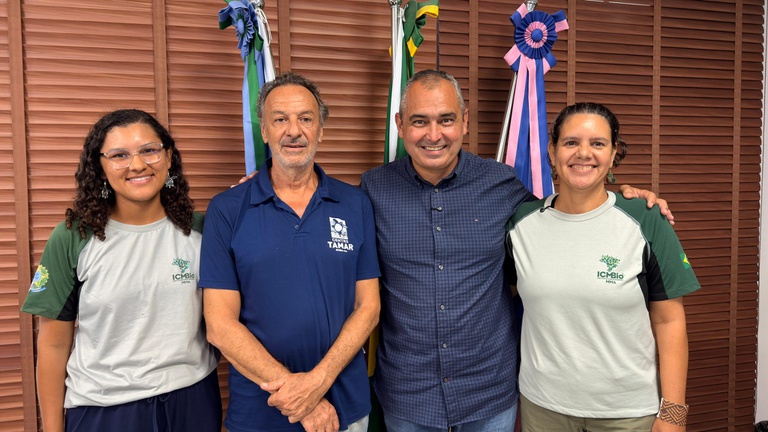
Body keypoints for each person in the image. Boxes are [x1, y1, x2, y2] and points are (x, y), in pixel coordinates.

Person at [360, 70, 673, 431]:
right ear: (400, 125)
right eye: (419, 121)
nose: (434, 134)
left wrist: (625, 198)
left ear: (464, 122)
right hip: (407, 392)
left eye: (446, 119)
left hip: (489, 392)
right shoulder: (372, 189)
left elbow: (566, 212)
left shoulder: (501, 183)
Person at [200, 72, 381, 432]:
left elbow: (369, 307)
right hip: (261, 411)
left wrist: (316, 383)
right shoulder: (227, 209)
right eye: (280, 119)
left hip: (345, 405)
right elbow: (219, 326)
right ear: (264, 131)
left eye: (306, 118)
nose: (293, 130)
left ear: (321, 129)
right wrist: (299, 399)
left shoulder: (355, 203)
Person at [21, 109, 221, 432]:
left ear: (168, 158)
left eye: (149, 150)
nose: (138, 165)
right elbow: (53, 346)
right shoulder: (73, 238)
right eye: (119, 155)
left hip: (192, 401)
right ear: (100, 167)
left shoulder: (204, 231)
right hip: (104, 411)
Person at [506, 102, 699, 432]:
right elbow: (510, 297)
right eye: (571, 143)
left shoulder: (645, 219)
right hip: (543, 408)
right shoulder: (520, 223)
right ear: (552, 152)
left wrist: (673, 413)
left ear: (613, 154)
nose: (584, 153)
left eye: (597, 143)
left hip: (627, 413)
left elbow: (669, 320)